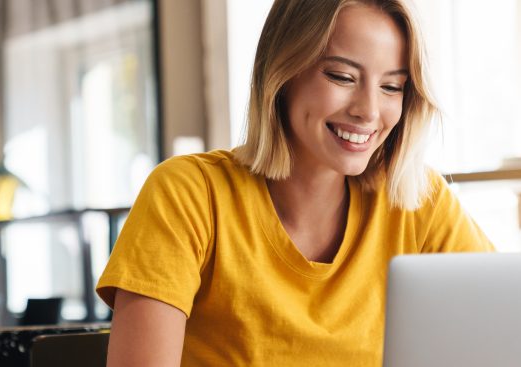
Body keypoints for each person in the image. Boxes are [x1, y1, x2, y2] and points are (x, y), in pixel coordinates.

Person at [95, 0, 494, 365]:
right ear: (282, 73)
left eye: (392, 86)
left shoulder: (418, 203)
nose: (369, 111)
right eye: (341, 76)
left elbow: (506, 323)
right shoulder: (188, 193)